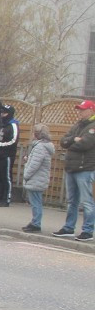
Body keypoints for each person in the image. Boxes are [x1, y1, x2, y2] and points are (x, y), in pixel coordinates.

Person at [52, 100, 95, 241]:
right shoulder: (77, 125)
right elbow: (63, 141)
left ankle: (88, 230)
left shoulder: (93, 126)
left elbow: (85, 144)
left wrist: (72, 142)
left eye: (82, 110)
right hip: (71, 167)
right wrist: (73, 140)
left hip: (85, 168)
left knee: (87, 201)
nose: (79, 112)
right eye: (79, 110)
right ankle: (68, 228)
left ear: (91, 110)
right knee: (72, 201)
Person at [21, 124, 55, 233]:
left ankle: (36, 223)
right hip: (40, 177)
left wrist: (26, 175)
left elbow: (35, 164)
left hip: (36, 178)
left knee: (36, 202)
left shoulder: (40, 147)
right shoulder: (43, 146)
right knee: (36, 201)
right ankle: (35, 221)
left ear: (37, 134)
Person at [0, 103, 18, 207]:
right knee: (0, 177)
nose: (2, 114)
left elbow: (13, 141)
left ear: (9, 114)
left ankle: (7, 198)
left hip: (7, 155)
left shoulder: (13, 125)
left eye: (4, 112)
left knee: (6, 177)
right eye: (1, 112)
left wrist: (0, 144)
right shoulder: (2, 125)